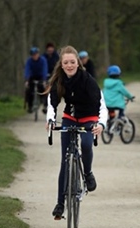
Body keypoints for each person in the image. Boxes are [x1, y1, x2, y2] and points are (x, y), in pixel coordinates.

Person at [45, 45, 108, 217]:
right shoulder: (59, 80)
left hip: (88, 117)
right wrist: (50, 120)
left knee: (87, 144)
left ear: (78, 63)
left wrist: (101, 124)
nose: (69, 65)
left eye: (72, 62)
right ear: (62, 64)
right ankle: (60, 203)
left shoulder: (87, 80)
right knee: (65, 161)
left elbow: (101, 105)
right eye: (66, 62)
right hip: (70, 118)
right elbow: (52, 103)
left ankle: (87, 173)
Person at [24, 47, 48, 113]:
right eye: (33, 55)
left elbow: (44, 69)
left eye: (36, 54)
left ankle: (45, 106)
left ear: (38, 54)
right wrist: (27, 80)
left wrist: (44, 80)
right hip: (32, 77)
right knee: (29, 90)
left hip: (41, 77)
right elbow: (27, 70)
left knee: (44, 90)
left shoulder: (43, 60)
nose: (35, 56)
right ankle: (30, 106)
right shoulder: (29, 61)